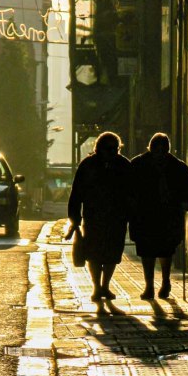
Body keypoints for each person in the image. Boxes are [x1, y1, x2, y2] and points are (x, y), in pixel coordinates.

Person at [67, 131, 132, 308]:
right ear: (99, 148)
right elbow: (77, 192)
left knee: (112, 253)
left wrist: (131, 214)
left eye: (115, 148)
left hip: (117, 217)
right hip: (94, 216)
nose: (111, 151)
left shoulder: (123, 165)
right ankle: (97, 287)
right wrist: (75, 217)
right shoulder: (88, 165)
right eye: (108, 148)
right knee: (94, 253)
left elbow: (132, 192)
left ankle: (105, 285)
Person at [129, 133, 188, 299]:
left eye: (163, 149)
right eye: (156, 149)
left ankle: (165, 282)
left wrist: (187, 201)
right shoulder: (139, 164)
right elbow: (127, 184)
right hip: (145, 215)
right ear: (150, 148)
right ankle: (149, 286)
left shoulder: (177, 166)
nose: (160, 152)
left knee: (165, 250)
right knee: (147, 251)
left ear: (167, 149)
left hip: (168, 215)